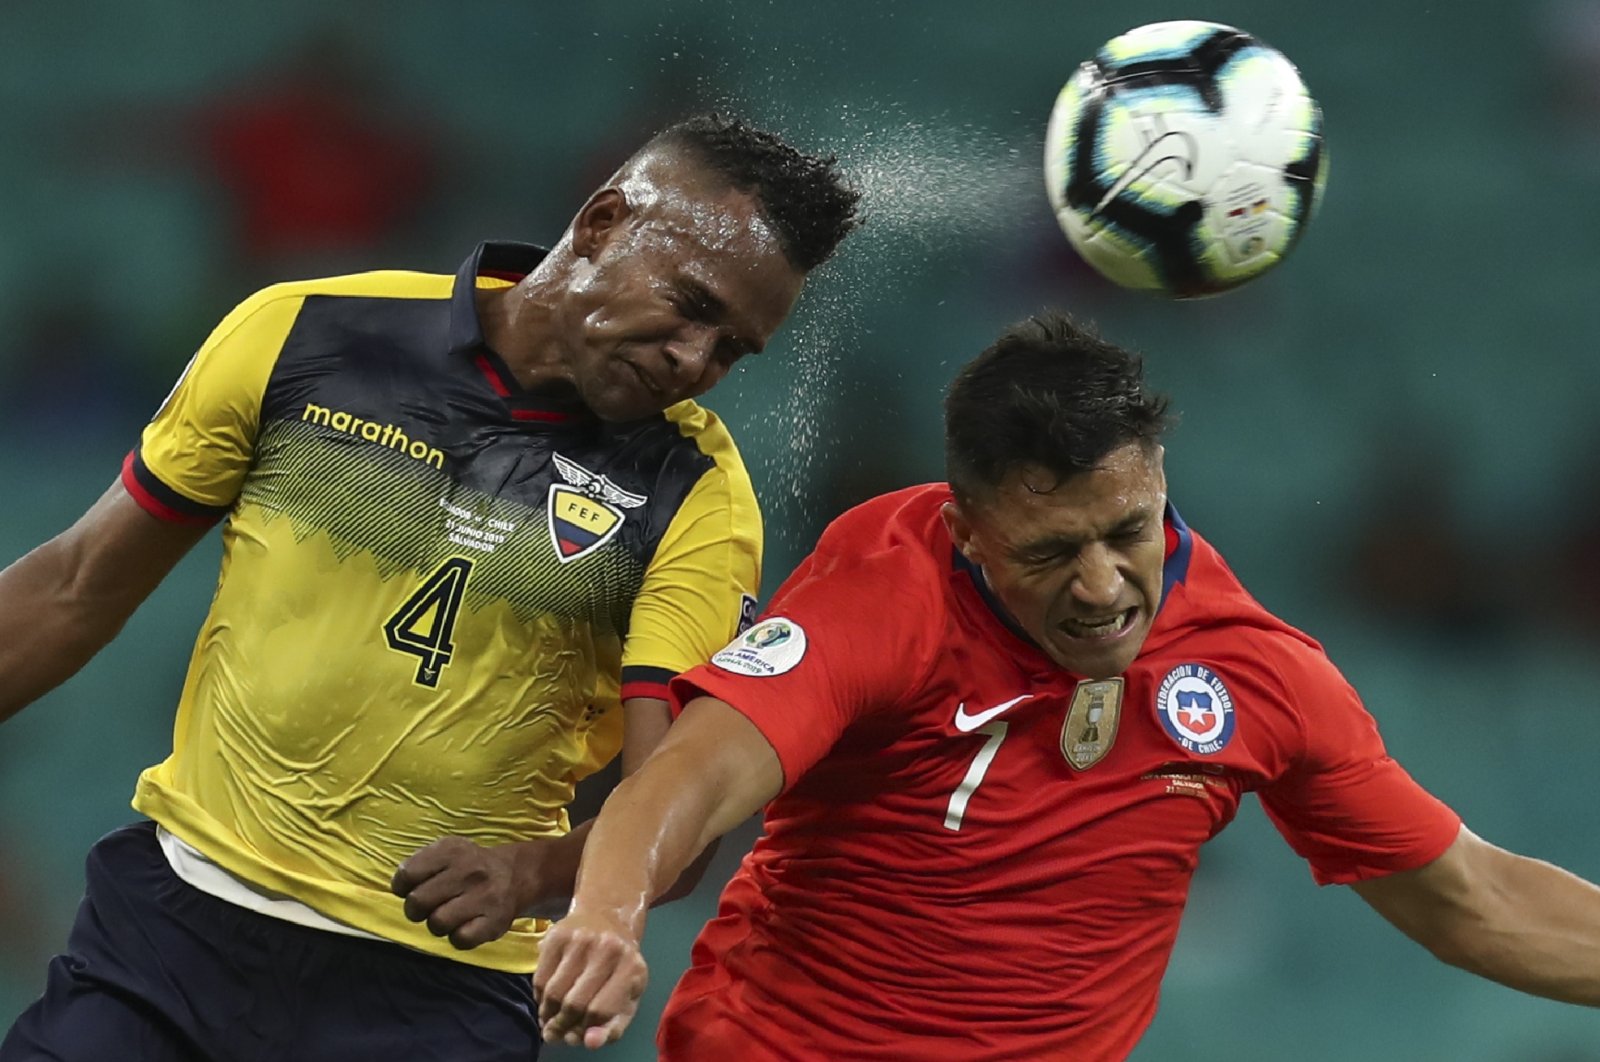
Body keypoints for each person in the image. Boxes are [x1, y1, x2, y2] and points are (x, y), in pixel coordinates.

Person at [0, 113, 860, 1062]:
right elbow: (75, 586)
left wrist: (534, 872)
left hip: (436, 998)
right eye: (689, 305)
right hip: (167, 939)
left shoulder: (694, 493)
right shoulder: (306, 332)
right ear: (607, 221)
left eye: (732, 347)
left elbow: (674, 813)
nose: (694, 361)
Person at [532, 311, 1600, 1059]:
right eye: (1048, 552)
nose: (1101, 587)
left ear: (1160, 488)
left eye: (1127, 532)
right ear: (969, 531)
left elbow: (1477, 899)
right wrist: (608, 917)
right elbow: (692, 775)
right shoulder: (886, 592)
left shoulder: (1256, 671)